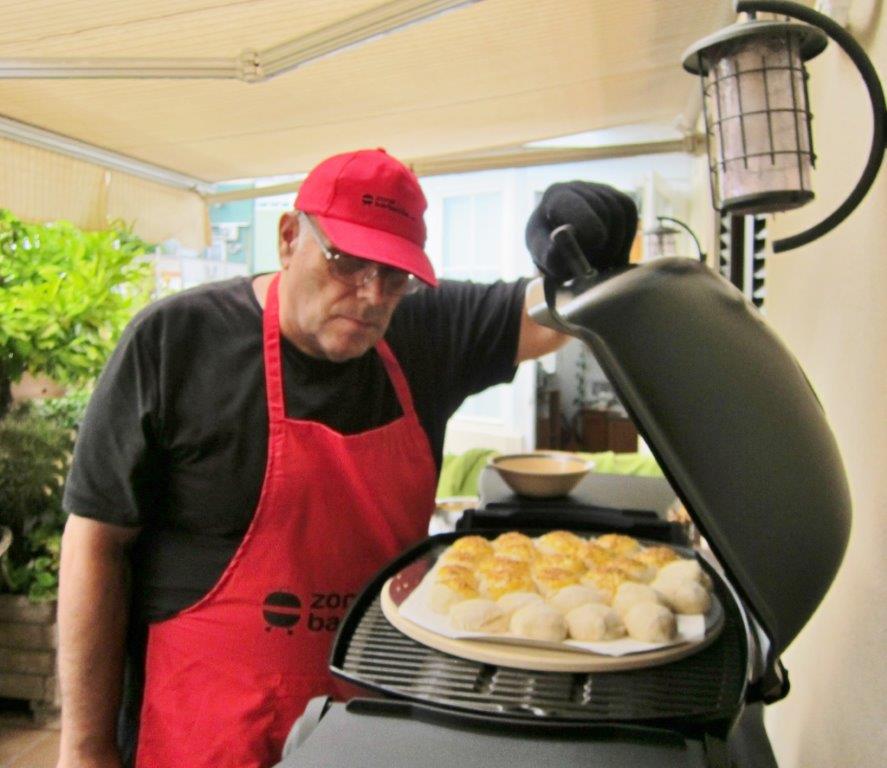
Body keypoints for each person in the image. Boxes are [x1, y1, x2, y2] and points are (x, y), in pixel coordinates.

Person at [55, 148, 637, 768]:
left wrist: (590, 238)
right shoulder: (176, 341)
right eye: (346, 261)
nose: (370, 294)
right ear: (288, 238)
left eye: (395, 275)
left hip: (370, 724)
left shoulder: (422, 333)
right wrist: (84, 747)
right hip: (204, 727)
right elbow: (95, 540)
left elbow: (557, 315)